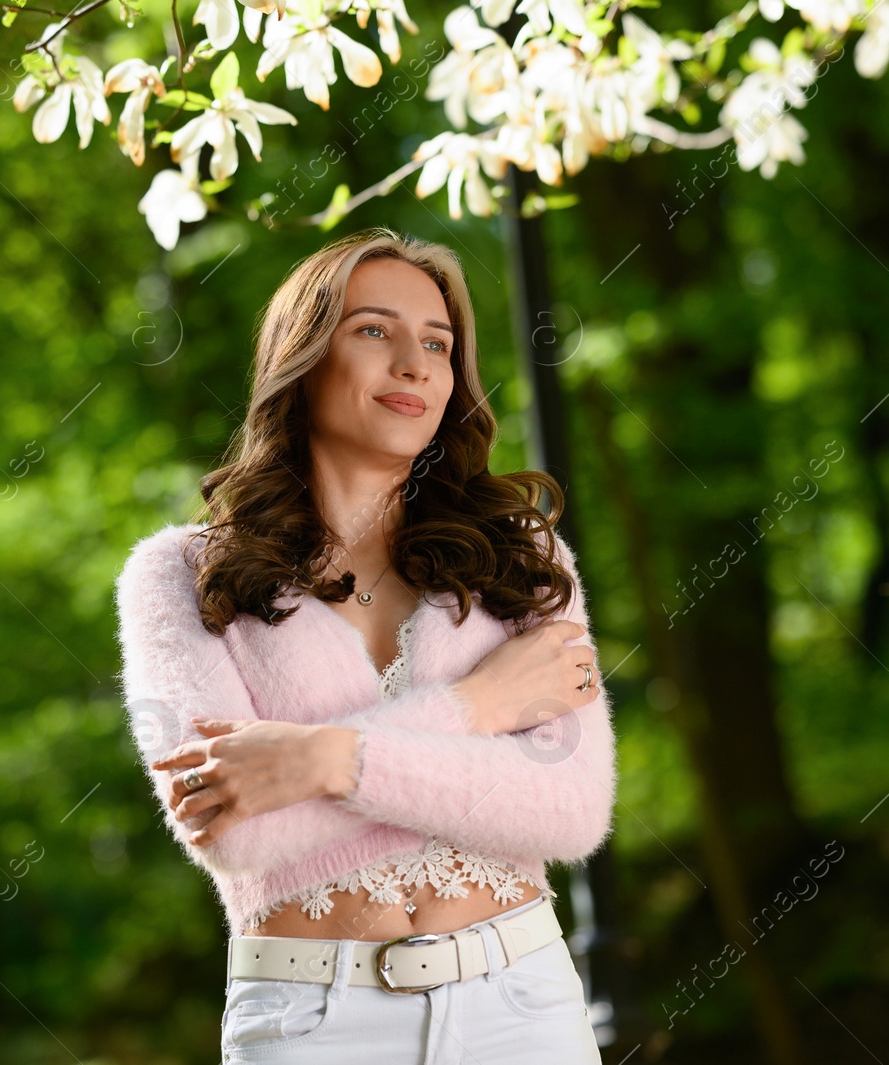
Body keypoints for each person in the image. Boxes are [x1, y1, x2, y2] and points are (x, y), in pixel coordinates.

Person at [114, 227, 617, 1063]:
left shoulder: (520, 559)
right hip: (312, 1021)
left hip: (522, 1004)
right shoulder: (178, 577)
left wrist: (318, 761)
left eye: (439, 343)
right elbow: (234, 832)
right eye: (375, 330)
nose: (415, 363)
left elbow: (567, 809)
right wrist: (478, 708)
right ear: (303, 357)